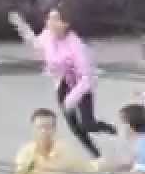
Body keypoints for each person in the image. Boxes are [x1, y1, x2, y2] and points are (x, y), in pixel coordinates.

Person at [9, 9, 117, 158]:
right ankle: (97, 156)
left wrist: (70, 100)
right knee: (75, 127)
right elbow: (36, 44)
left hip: (81, 85)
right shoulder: (47, 35)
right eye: (49, 19)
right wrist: (21, 26)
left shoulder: (77, 46)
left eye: (55, 19)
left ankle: (111, 129)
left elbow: (87, 77)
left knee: (88, 125)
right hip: (62, 84)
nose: (50, 22)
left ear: (66, 23)